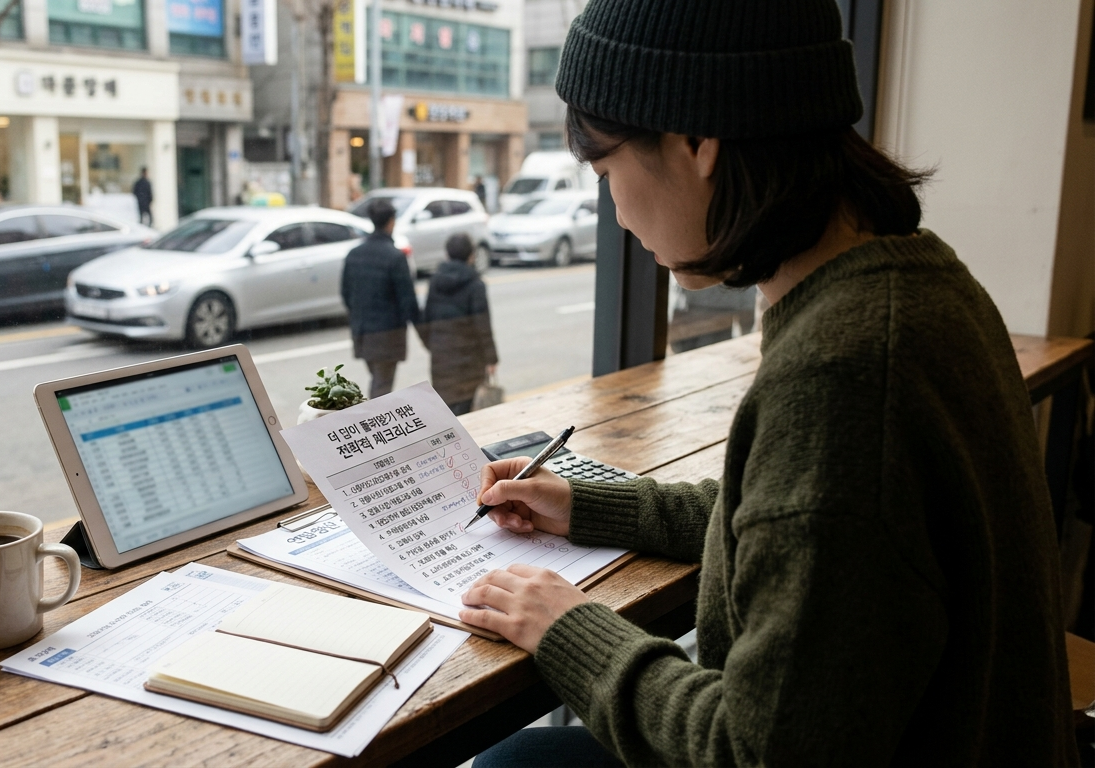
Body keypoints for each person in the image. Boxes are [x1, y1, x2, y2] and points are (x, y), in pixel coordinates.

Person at [461, 0, 1075, 765]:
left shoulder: (842, 377)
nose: (615, 212)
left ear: (696, 143)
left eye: (606, 168)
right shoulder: (917, 280)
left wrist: (569, 629)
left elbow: (756, 751)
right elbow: (804, 523)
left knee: (514, 761)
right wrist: (589, 506)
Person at [341, 198, 420, 398]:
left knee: (378, 379)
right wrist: (424, 332)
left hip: (362, 331)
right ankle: (375, 424)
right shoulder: (395, 257)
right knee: (382, 386)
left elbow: (346, 293)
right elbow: (407, 301)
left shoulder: (354, 254)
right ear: (391, 221)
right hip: (388, 334)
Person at [419, 232, 497, 415]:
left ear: (447, 254)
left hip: (441, 355)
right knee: (467, 408)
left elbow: (426, 318)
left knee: (445, 407)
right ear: (471, 256)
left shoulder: (435, 281)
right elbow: (482, 325)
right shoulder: (475, 284)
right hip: (469, 358)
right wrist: (491, 358)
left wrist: (432, 345)